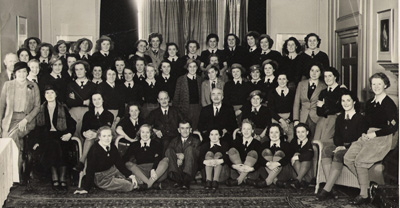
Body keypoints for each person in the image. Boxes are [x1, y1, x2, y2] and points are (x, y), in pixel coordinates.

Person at [344, 73, 398, 205]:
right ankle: (369, 186)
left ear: (385, 85)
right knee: (348, 158)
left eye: (379, 84)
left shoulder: (389, 104)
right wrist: (363, 133)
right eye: (373, 84)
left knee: (360, 161)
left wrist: (375, 134)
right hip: (368, 134)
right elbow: (366, 123)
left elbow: (393, 128)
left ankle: (364, 195)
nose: (376, 87)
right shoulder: (369, 103)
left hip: (383, 137)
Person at [317, 91, 368, 201]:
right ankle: (331, 187)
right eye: (343, 101)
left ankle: (326, 189)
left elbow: (360, 139)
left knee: (339, 154)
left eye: (348, 100)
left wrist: (345, 147)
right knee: (326, 150)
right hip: (341, 146)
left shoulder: (360, 118)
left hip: (354, 147)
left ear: (354, 102)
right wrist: (340, 145)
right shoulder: (339, 118)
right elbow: (336, 137)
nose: (345, 103)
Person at [0, 62, 40, 182]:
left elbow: (37, 107)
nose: (22, 74)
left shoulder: (33, 86)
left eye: (24, 71)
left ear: (27, 72)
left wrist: (26, 120)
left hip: (26, 120)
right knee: (6, 140)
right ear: (14, 73)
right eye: (19, 72)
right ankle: (13, 170)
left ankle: (13, 175)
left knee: (12, 137)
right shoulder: (8, 85)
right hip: (10, 120)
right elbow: (1, 105)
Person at [34, 85, 76, 191]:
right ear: (44, 95)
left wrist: (69, 134)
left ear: (56, 94)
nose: (50, 95)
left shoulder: (63, 107)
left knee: (60, 144)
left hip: (62, 134)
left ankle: (60, 177)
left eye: (52, 92)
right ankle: (55, 176)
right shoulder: (41, 109)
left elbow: (72, 123)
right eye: (47, 93)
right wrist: (37, 141)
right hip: (46, 136)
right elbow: (38, 128)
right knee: (52, 144)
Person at [74, 126, 138, 194]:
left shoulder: (112, 147)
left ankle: (121, 179)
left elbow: (119, 164)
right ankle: (96, 184)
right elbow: (90, 169)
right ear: (99, 137)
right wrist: (86, 189)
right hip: (101, 177)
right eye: (104, 136)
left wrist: (131, 176)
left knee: (136, 179)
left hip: (112, 170)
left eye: (109, 136)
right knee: (128, 185)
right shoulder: (94, 150)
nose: (107, 139)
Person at [73, 92, 114, 172]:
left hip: (104, 140)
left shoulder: (109, 115)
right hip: (90, 140)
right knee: (89, 139)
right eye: (94, 99)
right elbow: (83, 130)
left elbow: (106, 129)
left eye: (99, 99)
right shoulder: (88, 114)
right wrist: (85, 133)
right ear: (92, 101)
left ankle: (81, 162)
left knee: (92, 135)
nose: (97, 101)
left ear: (103, 100)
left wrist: (96, 134)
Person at [124, 124, 169, 189]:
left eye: (147, 132)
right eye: (143, 132)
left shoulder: (156, 143)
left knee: (166, 159)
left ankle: (147, 185)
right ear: (139, 133)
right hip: (141, 172)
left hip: (157, 172)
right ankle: (152, 184)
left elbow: (158, 158)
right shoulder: (134, 145)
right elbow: (125, 158)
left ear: (151, 133)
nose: (145, 134)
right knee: (128, 164)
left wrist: (153, 169)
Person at [293, 63, 327, 139]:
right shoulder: (301, 84)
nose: (314, 73)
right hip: (303, 117)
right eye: (312, 70)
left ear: (321, 73)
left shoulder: (324, 86)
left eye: (317, 71)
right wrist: (296, 119)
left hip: (316, 118)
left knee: (313, 140)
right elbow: (296, 103)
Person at [65, 60, 97, 140]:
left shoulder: (93, 85)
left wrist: (87, 102)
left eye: (81, 69)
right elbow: (69, 102)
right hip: (73, 114)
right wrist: (83, 102)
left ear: (85, 70)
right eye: (76, 70)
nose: (79, 72)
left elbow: (94, 101)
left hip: (88, 113)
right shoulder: (70, 85)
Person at [165, 120, 201, 189]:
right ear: (179, 130)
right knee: (169, 150)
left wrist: (183, 156)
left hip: (190, 170)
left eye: (187, 128)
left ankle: (186, 181)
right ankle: (176, 180)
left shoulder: (196, 141)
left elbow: (197, 155)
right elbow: (167, 153)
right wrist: (177, 156)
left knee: (190, 149)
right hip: (177, 168)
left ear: (190, 130)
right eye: (182, 128)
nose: (185, 131)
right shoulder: (174, 141)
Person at [314, 67, 346, 143]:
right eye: (325, 76)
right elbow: (319, 112)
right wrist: (329, 107)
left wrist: (324, 106)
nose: (327, 78)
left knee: (324, 141)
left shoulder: (342, 90)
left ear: (335, 77)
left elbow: (339, 109)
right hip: (322, 119)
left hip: (335, 120)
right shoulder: (323, 92)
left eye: (330, 76)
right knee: (315, 142)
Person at [226, 119, 261, 186]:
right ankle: (245, 179)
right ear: (241, 130)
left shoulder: (257, 144)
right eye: (244, 129)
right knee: (232, 150)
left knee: (253, 153)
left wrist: (252, 168)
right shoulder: (235, 142)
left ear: (252, 130)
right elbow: (228, 157)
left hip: (251, 172)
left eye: (248, 129)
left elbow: (260, 161)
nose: (246, 131)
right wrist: (234, 166)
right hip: (236, 171)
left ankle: (239, 180)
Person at [257, 124, 293, 188]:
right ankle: (276, 181)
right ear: (268, 134)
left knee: (279, 153)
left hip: (283, 173)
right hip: (266, 172)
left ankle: (268, 181)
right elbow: (259, 158)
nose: (274, 135)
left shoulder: (286, 145)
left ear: (280, 133)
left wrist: (277, 163)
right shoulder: (264, 144)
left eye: (276, 132)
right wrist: (267, 163)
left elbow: (288, 158)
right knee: (266, 151)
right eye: (271, 132)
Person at [173, 59, 202, 130]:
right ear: (187, 68)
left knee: (196, 128)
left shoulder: (201, 79)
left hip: (197, 108)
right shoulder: (181, 79)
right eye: (190, 66)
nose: (192, 69)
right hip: (185, 108)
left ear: (197, 68)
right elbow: (176, 96)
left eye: (194, 66)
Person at [267, 72, 296, 142]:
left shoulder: (292, 93)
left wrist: (288, 121)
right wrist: (281, 120)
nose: (282, 81)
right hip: (276, 118)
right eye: (280, 79)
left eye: (284, 79)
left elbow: (294, 108)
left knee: (290, 136)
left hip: (289, 119)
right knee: (276, 135)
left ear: (287, 80)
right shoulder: (272, 93)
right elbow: (271, 109)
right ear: (277, 80)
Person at [289, 123, 314, 189]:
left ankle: (298, 180)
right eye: (298, 132)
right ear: (296, 133)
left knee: (304, 158)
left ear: (307, 132)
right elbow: (289, 154)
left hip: (308, 168)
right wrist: (295, 156)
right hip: (295, 168)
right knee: (296, 154)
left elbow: (309, 155)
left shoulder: (310, 142)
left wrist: (297, 157)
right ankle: (302, 180)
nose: (300, 134)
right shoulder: (294, 141)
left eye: (303, 132)